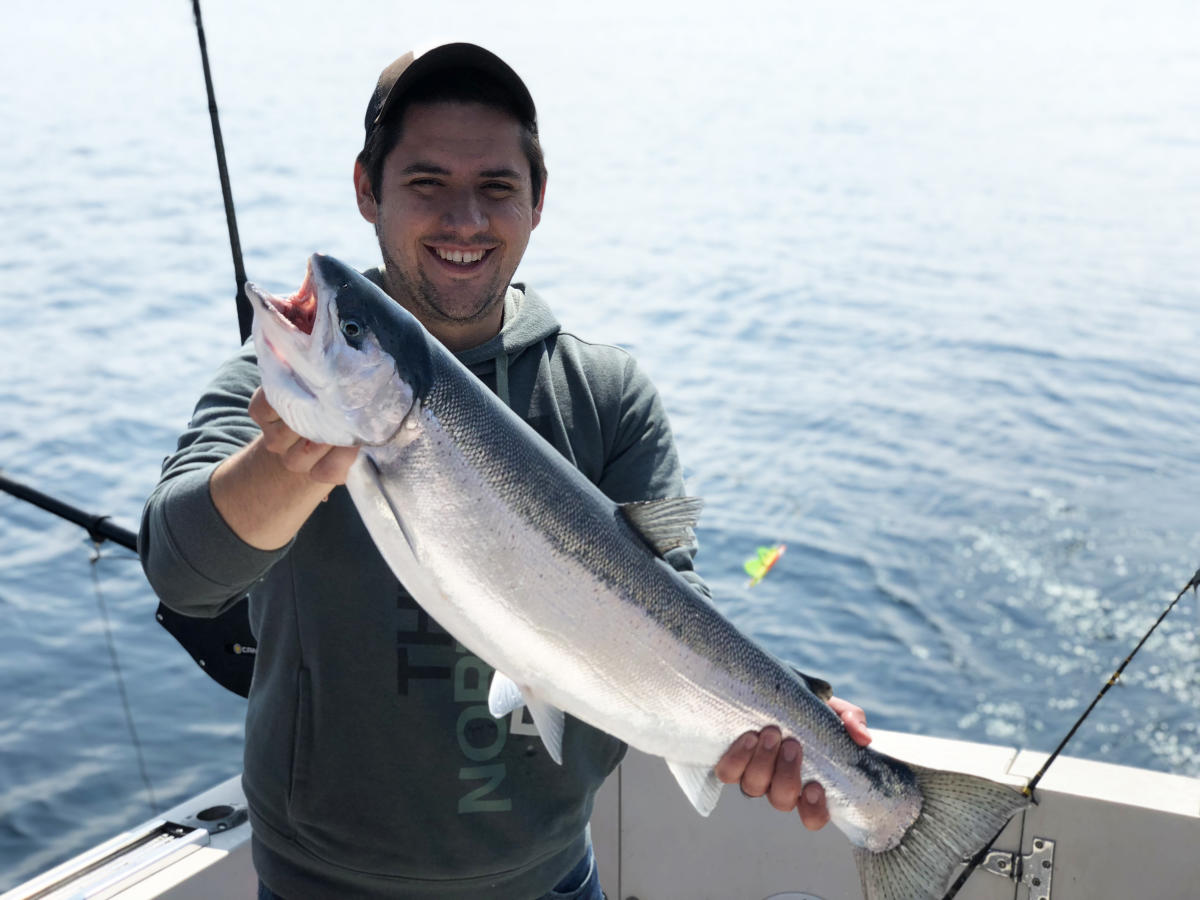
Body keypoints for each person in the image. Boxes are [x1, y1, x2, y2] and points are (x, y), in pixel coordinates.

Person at [139, 42, 871, 900]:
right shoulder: (278, 388)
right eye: (426, 184)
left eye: (496, 188)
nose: (464, 220)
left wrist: (791, 716)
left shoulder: (605, 392)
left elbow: (679, 609)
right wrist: (293, 462)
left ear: (537, 202)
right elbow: (182, 569)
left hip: (553, 879)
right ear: (367, 189)